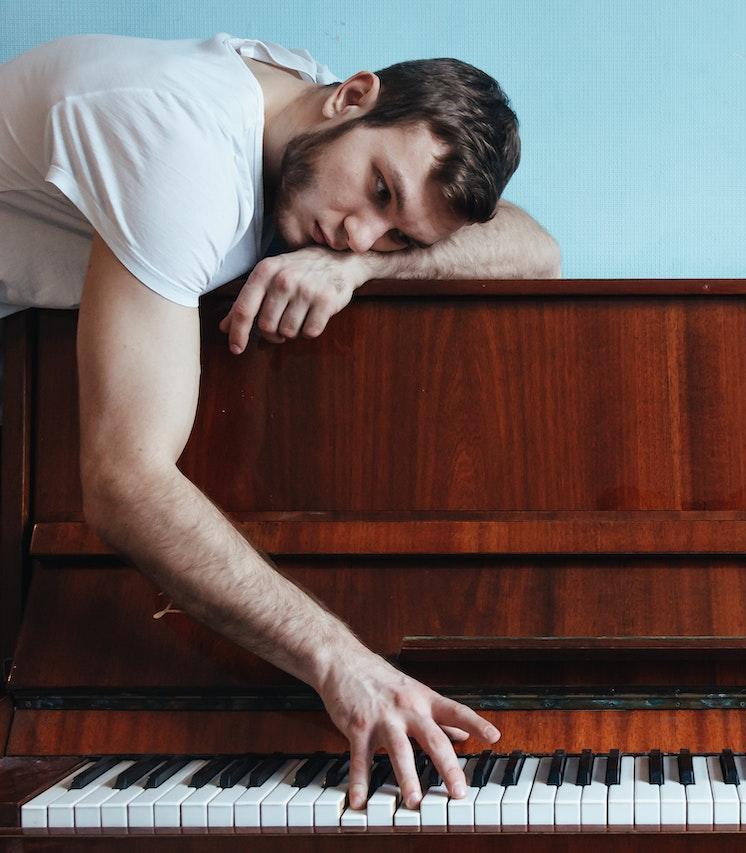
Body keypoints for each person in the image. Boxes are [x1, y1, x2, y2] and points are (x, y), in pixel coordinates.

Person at [0, 32, 561, 811]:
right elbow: (125, 481)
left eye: (397, 232)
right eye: (380, 192)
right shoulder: (183, 150)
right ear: (353, 96)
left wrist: (358, 266)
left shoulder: (301, 111)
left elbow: (537, 248)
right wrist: (341, 661)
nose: (364, 230)